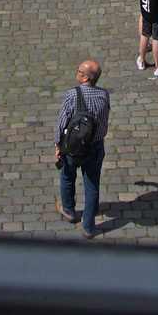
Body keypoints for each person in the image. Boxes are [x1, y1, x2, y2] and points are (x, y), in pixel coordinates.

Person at [54, 59, 110, 237]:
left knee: (68, 177)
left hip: (73, 148)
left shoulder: (72, 95)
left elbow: (62, 123)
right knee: (92, 185)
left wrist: (58, 145)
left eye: (78, 70)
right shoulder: (104, 95)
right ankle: (88, 225)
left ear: (85, 78)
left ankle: (68, 209)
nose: (76, 72)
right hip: (95, 147)